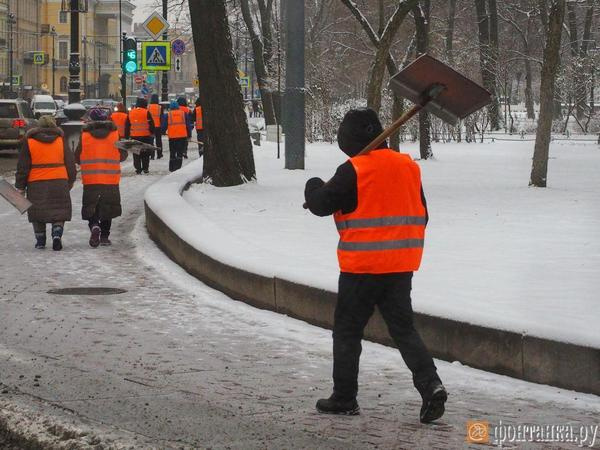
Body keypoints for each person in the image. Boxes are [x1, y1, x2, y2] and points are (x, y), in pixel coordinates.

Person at [304, 108, 447, 423]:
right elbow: (422, 214)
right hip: (399, 267)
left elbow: (320, 205)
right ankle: (430, 384)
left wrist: (312, 185)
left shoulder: (353, 170)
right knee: (403, 330)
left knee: (347, 331)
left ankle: (344, 398)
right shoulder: (408, 167)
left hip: (361, 269)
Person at [15, 115, 76, 251]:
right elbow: (70, 162)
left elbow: (23, 166)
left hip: (36, 182)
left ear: (38, 127)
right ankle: (56, 234)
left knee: (38, 212)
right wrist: (71, 180)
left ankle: (40, 240)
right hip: (59, 181)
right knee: (59, 210)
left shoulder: (29, 141)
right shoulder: (60, 140)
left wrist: (20, 186)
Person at [75, 108, 128, 247]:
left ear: (90, 120)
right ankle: (104, 237)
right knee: (108, 208)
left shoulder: (85, 135)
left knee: (91, 206)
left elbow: (77, 156)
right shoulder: (115, 134)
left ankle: (94, 226)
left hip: (91, 179)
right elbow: (123, 155)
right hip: (110, 179)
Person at [125, 97, 155, 174]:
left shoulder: (131, 112)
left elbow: (127, 125)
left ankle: (138, 169)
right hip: (145, 136)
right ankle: (145, 168)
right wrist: (152, 132)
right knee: (145, 153)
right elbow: (151, 124)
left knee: (136, 153)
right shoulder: (146, 112)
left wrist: (127, 136)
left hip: (134, 136)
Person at [162, 101, 191, 172]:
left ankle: (172, 168)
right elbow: (188, 125)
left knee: (172, 153)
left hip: (172, 137)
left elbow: (164, 126)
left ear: (170, 107)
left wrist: (162, 131)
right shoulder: (183, 114)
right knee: (180, 153)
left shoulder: (168, 115)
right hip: (182, 137)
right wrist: (189, 135)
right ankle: (178, 168)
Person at [148, 94, 163, 159]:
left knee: (151, 141)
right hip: (158, 126)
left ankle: (152, 155)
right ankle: (159, 154)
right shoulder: (159, 107)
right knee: (158, 141)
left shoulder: (148, 107)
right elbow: (161, 117)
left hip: (151, 126)